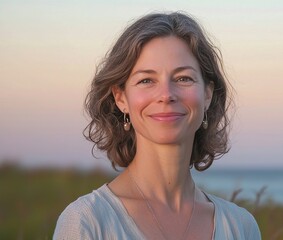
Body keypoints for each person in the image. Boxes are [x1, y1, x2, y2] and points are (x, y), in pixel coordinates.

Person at [53, 12, 261, 240]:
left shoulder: (241, 227)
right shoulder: (87, 221)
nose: (166, 95)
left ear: (207, 94)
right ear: (121, 98)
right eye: (146, 80)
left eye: (183, 78)